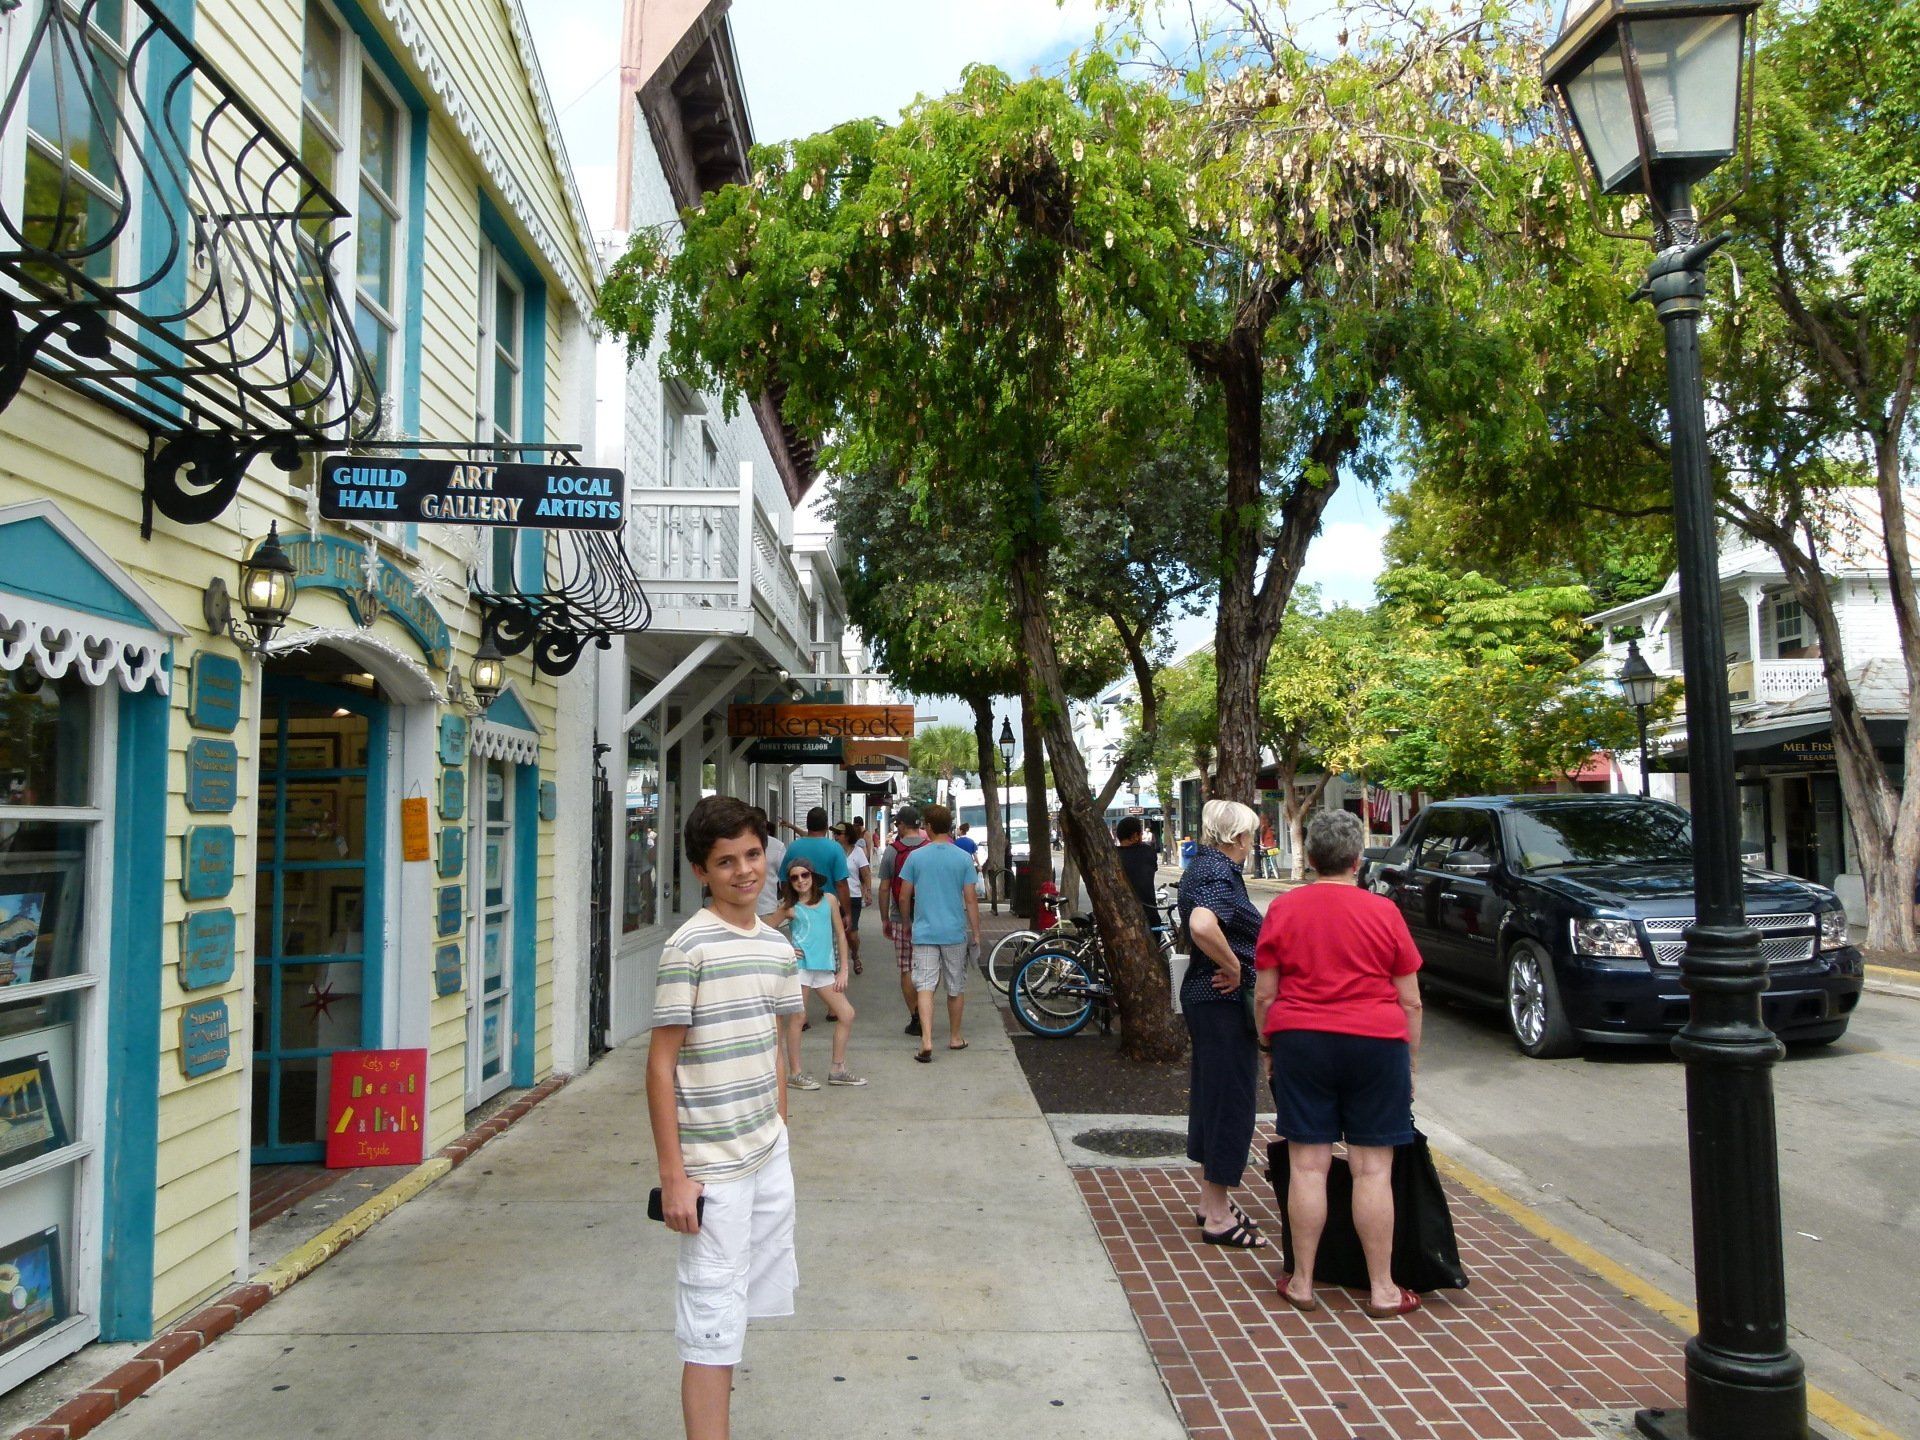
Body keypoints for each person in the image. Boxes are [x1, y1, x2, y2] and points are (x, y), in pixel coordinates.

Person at [646, 796, 802, 1440]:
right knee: (709, 1324)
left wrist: (780, 1130)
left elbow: (774, 1045)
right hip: (712, 1170)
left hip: (766, 1156)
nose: (744, 871)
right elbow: (660, 1066)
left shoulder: (774, 946)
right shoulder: (689, 947)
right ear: (699, 872)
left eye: (753, 855)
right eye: (725, 861)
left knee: (736, 1315)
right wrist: (675, 1177)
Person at [1254, 808, 1424, 1318]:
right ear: (1357, 860)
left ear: (1309, 858)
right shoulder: (1384, 913)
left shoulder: (1284, 911)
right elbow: (1410, 1001)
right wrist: (1407, 1063)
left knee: (1308, 1165)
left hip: (1302, 1042)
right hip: (1376, 1045)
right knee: (1374, 1169)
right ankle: (1382, 1289)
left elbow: (1265, 994)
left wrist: (1268, 1048)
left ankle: (1303, 1281)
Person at [1177, 798, 1267, 1250]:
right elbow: (1202, 923)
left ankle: (1210, 1200)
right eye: (1250, 833)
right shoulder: (1216, 871)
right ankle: (1216, 1213)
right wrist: (1235, 967)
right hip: (1220, 1002)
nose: (1252, 842)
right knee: (1231, 1100)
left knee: (1216, 1097)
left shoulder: (1207, 866)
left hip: (1209, 1002)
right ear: (1237, 837)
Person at [770, 854, 865, 1088]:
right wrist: (787, 948)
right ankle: (795, 1073)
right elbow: (764, 929)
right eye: (794, 878)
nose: (801, 881)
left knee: (846, 1014)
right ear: (789, 883)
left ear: (813, 876)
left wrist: (844, 969)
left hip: (824, 969)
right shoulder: (789, 907)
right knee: (798, 1018)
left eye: (805, 875)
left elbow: (841, 934)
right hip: (800, 969)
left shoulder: (830, 900)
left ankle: (838, 1069)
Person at [897, 802, 981, 1061]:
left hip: (924, 933)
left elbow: (903, 895)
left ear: (929, 827)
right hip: (954, 932)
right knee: (955, 987)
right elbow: (970, 899)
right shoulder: (963, 858)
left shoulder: (916, 857)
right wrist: (975, 932)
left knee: (924, 986)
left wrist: (906, 922)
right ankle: (955, 1037)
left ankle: (927, 1039)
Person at [875, 805, 929, 1035]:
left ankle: (916, 1016)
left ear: (903, 825)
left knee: (906, 969)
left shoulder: (892, 851)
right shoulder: (929, 849)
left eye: (897, 824)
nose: (896, 828)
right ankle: (927, 1016)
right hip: (928, 918)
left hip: (900, 918)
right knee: (927, 970)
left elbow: (885, 888)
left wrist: (885, 918)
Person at [837, 822, 872, 976]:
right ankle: (840, 964)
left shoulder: (858, 852)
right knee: (838, 932)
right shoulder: (834, 850)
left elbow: (865, 873)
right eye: (835, 833)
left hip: (853, 896)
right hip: (835, 897)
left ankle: (855, 955)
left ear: (848, 835)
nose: (836, 836)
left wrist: (868, 891)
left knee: (851, 933)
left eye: (840, 833)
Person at [1115, 815, 1160, 924]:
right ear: (1135, 835)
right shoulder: (1147, 852)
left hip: (1120, 914)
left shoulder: (1113, 855)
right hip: (1148, 912)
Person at [754, 807, 786, 921]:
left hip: (768, 909)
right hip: (741, 910)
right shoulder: (740, 844)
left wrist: (785, 903)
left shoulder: (777, 847)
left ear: (765, 823)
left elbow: (784, 878)